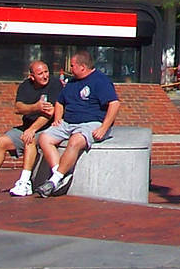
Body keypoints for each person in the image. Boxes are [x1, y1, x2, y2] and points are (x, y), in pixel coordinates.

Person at [0, 59, 62, 197]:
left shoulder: (54, 85)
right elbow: (18, 108)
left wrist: (32, 129)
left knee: (29, 140)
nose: (45, 76)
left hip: (46, 129)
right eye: (40, 73)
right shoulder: (25, 86)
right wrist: (35, 107)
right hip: (27, 127)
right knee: (1, 142)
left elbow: (49, 113)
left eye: (46, 72)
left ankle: (25, 183)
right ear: (32, 76)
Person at [34, 51, 120, 198]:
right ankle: (60, 175)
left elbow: (114, 104)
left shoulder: (100, 81)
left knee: (75, 141)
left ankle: (54, 181)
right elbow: (60, 102)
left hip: (90, 123)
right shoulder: (71, 82)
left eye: (72, 66)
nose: (70, 68)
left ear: (82, 67)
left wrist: (104, 127)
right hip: (68, 123)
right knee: (44, 138)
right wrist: (58, 118)